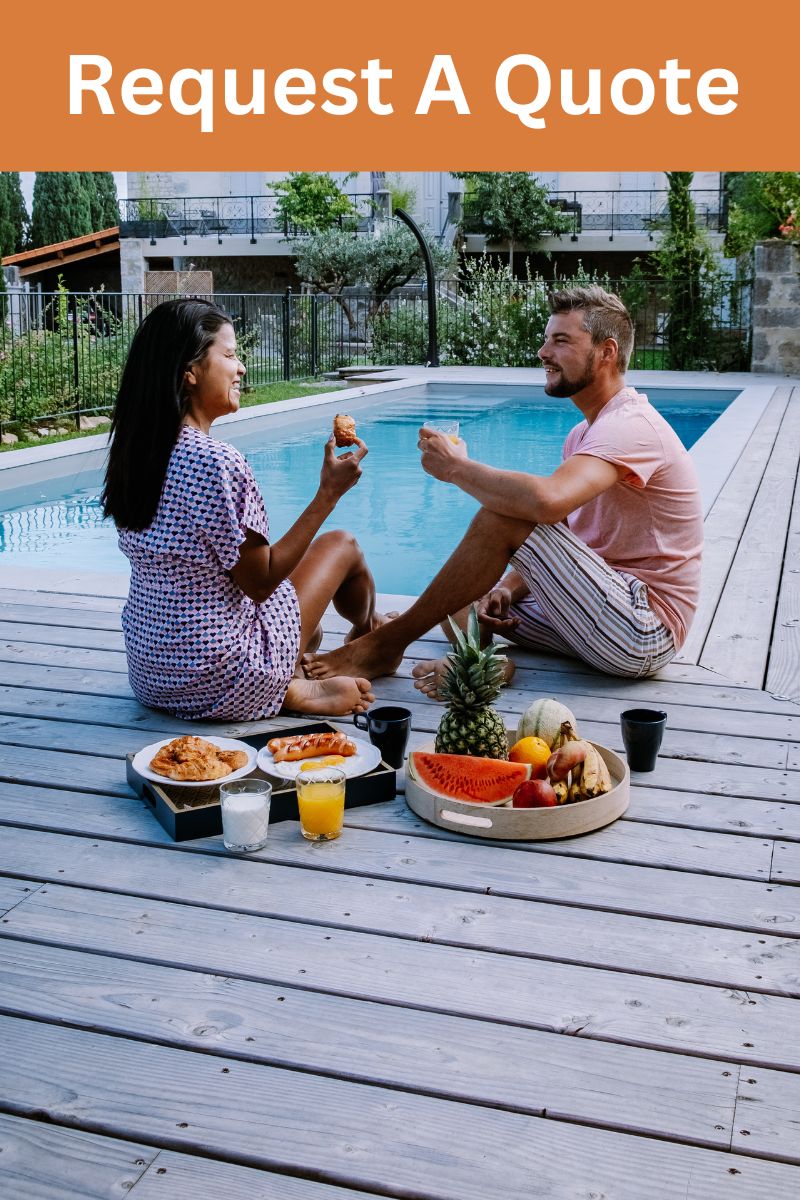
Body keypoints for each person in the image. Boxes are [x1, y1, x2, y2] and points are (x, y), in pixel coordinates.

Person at [303, 285, 703, 689]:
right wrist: (507, 587)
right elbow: (565, 532)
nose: (543, 353)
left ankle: (386, 644)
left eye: (560, 341)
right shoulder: (584, 434)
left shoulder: (632, 425)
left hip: (641, 629)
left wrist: (458, 468)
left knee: (503, 518)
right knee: (457, 603)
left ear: (607, 352)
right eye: (546, 340)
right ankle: (495, 664)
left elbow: (545, 505)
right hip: (596, 613)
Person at [102, 297, 385, 721]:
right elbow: (261, 583)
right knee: (343, 545)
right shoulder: (216, 461)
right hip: (223, 673)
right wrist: (328, 494)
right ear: (189, 372)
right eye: (231, 355)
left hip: (153, 671)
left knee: (302, 599)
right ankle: (361, 643)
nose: (242, 368)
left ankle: (337, 641)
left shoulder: (135, 453)